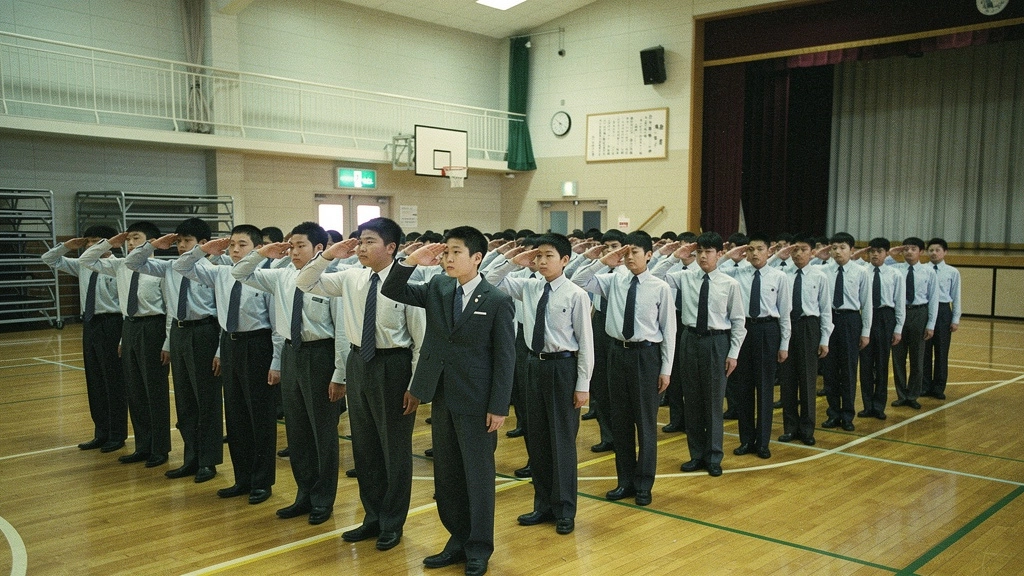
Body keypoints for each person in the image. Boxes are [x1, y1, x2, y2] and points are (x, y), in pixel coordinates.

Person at [380, 226, 515, 576]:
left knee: (478, 477)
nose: (448, 258)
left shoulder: (497, 300)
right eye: (446, 252)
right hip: (441, 394)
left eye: (457, 252)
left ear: (477, 258)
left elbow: (505, 358)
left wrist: (499, 406)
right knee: (448, 475)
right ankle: (457, 540)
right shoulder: (439, 287)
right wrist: (412, 260)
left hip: (477, 401)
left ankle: (479, 548)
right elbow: (392, 289)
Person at [294, 217, 425, 552]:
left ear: (391, 247)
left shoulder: (408, 280)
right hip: (358, 362)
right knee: (364, 447)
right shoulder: (352, 276)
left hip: (394, 365)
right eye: (360, 241)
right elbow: (304, 282)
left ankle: (392, 522)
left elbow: (420, 340)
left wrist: (416, 385)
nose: (362, 247)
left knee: (394, 449)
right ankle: (372, 516)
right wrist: (327, 256)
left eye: (370, 242)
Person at [232, 221, 349, 526]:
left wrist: (340, 373)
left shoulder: (332, 280)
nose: (294, 252)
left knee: (322, 432)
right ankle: (304, 494)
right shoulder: (281, 275)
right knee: (297, 431)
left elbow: (341, 331)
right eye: (291, 246)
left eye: (301, 246)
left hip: (320, 354)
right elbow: (239, 273)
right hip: (291, 353)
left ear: (319, 249)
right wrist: (262, 253)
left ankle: (323, 499)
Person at [485, 233, 594, 534]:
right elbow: (488, 281)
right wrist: (512, 261)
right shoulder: (529, 287)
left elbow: (586, 343)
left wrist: (582, 384)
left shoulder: (575, 294)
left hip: (563, 368)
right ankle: (543, 505)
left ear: (565, 260)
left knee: (561, 442)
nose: (542, 261)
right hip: (533, 366)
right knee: (537, 440)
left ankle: (564, 509)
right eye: (538, 256)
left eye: (549, 256)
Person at [173, 224, 284, 504]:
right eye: (232, 244)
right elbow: (181, 266)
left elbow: (276, 325)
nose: (235, 250)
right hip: (230, 344)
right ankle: (242, 478)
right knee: (235, 417)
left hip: (257, 346)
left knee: (259, 418)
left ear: (258, 248)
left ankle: (262, 482)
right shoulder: (220, 272)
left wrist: (276, 361)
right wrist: (202, 250)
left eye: (242, 245)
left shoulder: (267, 277)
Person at [572, 232, 675, 499]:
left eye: (635, 252)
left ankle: (643, 485)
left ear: (649, 255)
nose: (629, 257)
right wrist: (603, 261)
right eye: (626, 253)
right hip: (617, 353)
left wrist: (666, 369)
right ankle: (625, 481)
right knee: (621, 422)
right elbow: (578, 280)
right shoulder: (614, 280)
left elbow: (669, 331)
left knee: (645, 423)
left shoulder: (660, 287)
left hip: (646, 356)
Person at [126, 218, 221, 483]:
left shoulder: (214, 271)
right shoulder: (170, 267)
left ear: (204, 244)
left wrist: (219, 349)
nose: (181, 246)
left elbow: (223, 312)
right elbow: (132, 262)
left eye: (187, 241)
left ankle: (208, 461)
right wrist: (153, 245)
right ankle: (191, 457)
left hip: (204, 331)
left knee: (206, 401)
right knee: (185, 401)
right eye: (178, 241)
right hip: (179, 333)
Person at [650, 232, 744, 477]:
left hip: (716, 342)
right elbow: (653, 276)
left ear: (719, 254)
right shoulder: (685, 277)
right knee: (691, 400)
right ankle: (696, 454)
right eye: (699, 251)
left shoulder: (730, 284)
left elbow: (738, 321)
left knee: (713, 402)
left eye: (708, 252)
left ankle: (713, 456)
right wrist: (675, 256)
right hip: (689, 339)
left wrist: (733, 353)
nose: (703, 256)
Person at [79, 222, 171, 468]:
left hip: (153, 327)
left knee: (154, 391)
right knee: (135, 392)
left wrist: (167, 342)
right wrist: (110, 243)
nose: (130, 243)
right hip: (129, 327)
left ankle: (160, 448)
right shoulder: (121, 265)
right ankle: (143, 446)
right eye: (128, 239)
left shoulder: (162, 269)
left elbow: (171, 308)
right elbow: (86, 259)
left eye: (136, 238)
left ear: (151, 242)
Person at [41, 225, 126, 453]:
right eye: (87, 241)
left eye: (95, 241)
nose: (89, 245)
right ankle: (101, 432)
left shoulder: (120, 266)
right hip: (90, 324)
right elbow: (48, 259)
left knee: (113, 381)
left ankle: (117, 434)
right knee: (95, 380)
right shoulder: (83, 265)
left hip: (112, 323)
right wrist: (67, 246)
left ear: (109, 243)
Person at [719, 233, 791, 459]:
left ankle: (763, 442)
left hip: (768, 331)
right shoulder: (737, 274)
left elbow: (785, 313)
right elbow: (714, 270)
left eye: (760, 249)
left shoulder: (779, 277)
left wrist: (784, 343)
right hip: (743, 330)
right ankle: (746, 440)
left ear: (769, 251)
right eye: (750, 249)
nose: (755, 253)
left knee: (765, 388)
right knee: (743, 389)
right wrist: (729, 256)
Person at [776, 234, 832, 446]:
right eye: (795, 249)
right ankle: (790, 427)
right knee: (787, 379)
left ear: (812, 252)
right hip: (787, 325)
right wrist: (778, 256)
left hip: (809, 326)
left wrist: (824, 338)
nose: (798, 254)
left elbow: (825, 310)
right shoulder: (782, 274)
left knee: (808, 379)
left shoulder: (820, 276)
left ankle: (807, 429)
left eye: (803, 249)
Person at [821, 232, 872, 431]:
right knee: (829, 370)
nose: (838, 251)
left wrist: (865, 331)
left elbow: (866, 304)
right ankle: (833, 413)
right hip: (829, 319)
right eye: (834, 248)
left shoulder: (861, 272)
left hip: (850, 320)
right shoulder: (823, 271)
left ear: (852, 250)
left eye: (842, 247)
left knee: (849, 370)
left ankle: (848, 415)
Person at [853, 238, 905, 420]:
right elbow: (847, 261)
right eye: (872, 251)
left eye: (879, 251)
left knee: (882, 363)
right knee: (866, 364)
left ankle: (879, 405)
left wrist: (898, 328)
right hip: (865, 317)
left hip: (885, 317)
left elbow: (900, 302)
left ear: (886, 253)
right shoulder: (861, 271)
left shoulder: (895, 274)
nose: (875, 254)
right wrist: (858, 254)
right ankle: (867, 405)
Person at [887, 237, 939, 410]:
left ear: (921, 252)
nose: (909, 252)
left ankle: (913, 394)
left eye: (913, 249)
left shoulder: (928, 272)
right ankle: (901, 395)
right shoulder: (895, 269)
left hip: (919, 313)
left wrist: (931, 324)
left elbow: (933, 299)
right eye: (906, 248)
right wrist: (891, 253)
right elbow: (878, 265)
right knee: (898, 357)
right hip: (899, 313)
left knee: (917, 357)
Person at [922, 238, 960, 400]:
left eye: (938, 250)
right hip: (925, 310)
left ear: (945, 252)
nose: (934, 253)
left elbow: (956, 296)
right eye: (931, 250)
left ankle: (938, 387)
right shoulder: (922, 269)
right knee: (924, 351)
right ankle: (924, 386)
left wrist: (955, 318)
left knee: (941, 351)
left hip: (943, 311)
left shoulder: (952, 272)